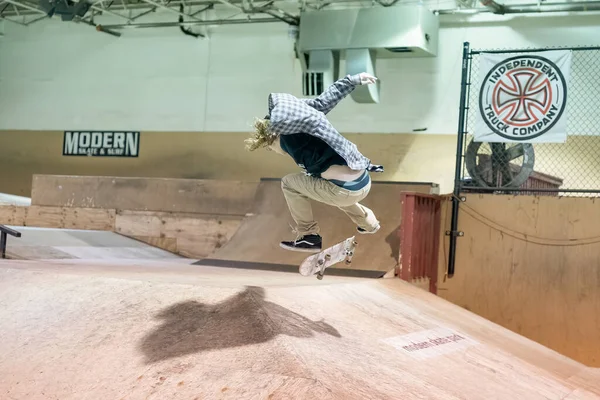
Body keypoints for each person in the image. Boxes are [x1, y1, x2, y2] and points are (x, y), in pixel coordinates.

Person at [245, 72, 384, 253]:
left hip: (345, 191)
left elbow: (277, 125)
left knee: (289, 184)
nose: (277, 152)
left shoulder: (290, 140)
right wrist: (352, 80)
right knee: (325, 186)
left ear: (274, 137)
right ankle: (368, 223)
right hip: (364, 182)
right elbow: (324, 100)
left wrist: (270, 128)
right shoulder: (305, 120)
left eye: (271, 148)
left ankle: (308, 235)